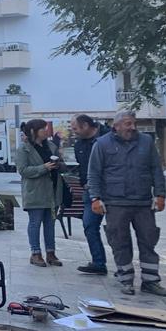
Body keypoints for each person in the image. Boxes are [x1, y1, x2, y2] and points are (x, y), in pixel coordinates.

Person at [87, 109, 166, 296]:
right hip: (115, 203)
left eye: (134, 123)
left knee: (149, 241)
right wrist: (95, 198)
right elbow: (94, 174)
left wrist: (160, 194)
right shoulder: (102, 144)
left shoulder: (146, 142)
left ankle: (151, 281)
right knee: (120, 242)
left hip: (143, 202)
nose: (133, 127)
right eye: (128, 123)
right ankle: (126, 280)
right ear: (115, 126)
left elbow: (156, 169)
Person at [16, 118, 64, 268]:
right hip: (35, 192)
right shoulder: (24, 149)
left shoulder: (51, 146)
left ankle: (51, 252)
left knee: (50, 223)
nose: (46, 131)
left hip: (52, 191)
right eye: (43, 129)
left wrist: (58, 165)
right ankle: (35, 253)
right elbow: (23, 170)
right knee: (35, 223)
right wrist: (43, 168)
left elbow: (62, 164)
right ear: (33, 131)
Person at [71, 114, 111, 275]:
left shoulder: (109, 137)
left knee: (116, 229)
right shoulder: (79, 144)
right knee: (89, 225)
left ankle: (124, 267)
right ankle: (98, 262)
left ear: (86, 126)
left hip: (112, 190)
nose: (73, 132)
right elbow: (83, 167)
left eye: (75, 128)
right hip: (90, 190)